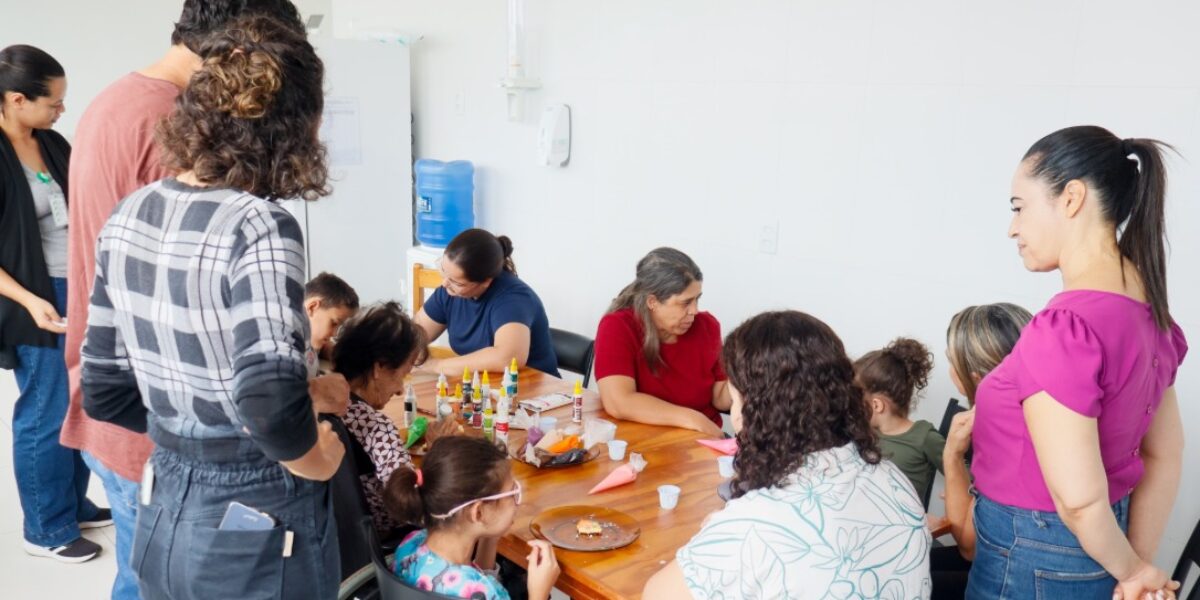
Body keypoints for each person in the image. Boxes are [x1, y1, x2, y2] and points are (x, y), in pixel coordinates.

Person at [80, 15, 345, 598]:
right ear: (298, 126)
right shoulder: (258, 224)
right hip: (256, 508)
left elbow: (102, 387)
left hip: (164, 497)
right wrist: (313, 458)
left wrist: (191, 437)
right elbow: (270, 399)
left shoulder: (131, 214)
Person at [967, 126, 1187, 600]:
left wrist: (1130, 572)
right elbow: (1165, 456)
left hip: (1033, 552)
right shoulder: (1154, 317)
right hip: (1102, 546)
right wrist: (1133, 563)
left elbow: (1079, 500)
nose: (1013, 229)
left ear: (1071, 198)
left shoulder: (1066, 326)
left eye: (1018, 207)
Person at [644, 311, 931, 598]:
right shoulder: (895, 480)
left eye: (734, 400)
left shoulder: (754, 528)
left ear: (754, 411)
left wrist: (718, 535)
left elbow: (654, 595)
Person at [1, 43, 110, 563]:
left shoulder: (54, 144)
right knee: (44, 412)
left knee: (82, 403)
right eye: (53, 103)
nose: (60, 111)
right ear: (16, 99)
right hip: (32, 299)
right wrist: (29, 300)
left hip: (79, 288)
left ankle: (71, 502)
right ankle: (44, 529)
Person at [931, 303, 1031, 599]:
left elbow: (968, 546)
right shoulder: (1039, 415)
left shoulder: (1002, 431)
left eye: (951, 360)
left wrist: (951, 456)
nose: (949, 369)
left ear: (975, 375)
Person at [384, 436, 561, 600]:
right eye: (512, 493)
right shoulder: (484, 591)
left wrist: (490, 539)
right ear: (478, 512)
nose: (518, 503)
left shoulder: (410, 544)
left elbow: (475, 577)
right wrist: (540, 593)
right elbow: (482, 587)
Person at [594, 247, 730, 438]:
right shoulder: (618, 326)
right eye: (685, 302)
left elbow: (720, 398)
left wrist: (748, 373)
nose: (694, 311)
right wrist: (693, 419)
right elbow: (619, 402)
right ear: (653, 302)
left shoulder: (708, 326)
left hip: (703, 441)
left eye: (697, 300)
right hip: (647, 441)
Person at [331, 301, 425, 536]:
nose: (401, 389)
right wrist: (441, 454)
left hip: (338, 539)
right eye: (403, 374)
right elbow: (411, 506)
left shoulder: (324, 406)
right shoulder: (376, 428)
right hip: (387, 544)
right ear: (379, 368)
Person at [413, 228, 559, 377]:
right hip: (486, 387)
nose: (444, 283)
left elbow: (507, 358)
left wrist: (436, 365)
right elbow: (413, 336)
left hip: (535, 390)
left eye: (457, 282)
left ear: (485, 282)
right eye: (443, 271)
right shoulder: (449, 292)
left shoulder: (513, 299)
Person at [855, 337, 943, 500]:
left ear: (876, 405)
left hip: (904, 521)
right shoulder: (865, 433)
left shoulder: (924, 437)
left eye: (857, 400)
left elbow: (961, 471)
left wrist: (954, 493)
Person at [304, 272, 356, 417]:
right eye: (333, 323)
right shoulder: (289, 345)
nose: (333, 333)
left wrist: (335, 352)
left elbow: (319, 349)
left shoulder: (312, 337)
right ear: (313, 307)